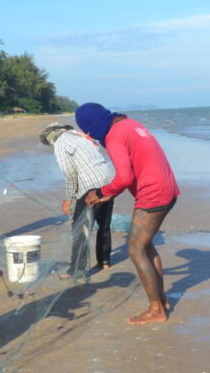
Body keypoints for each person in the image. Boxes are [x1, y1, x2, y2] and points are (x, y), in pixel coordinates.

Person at [75, 103, 180, 325]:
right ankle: (162, 301)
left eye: (88, 132)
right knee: (145, 246)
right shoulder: (130, 124)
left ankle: (156, 310)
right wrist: (109, 194)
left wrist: (101, 192)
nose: (91, 137)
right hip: (168, 188)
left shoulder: (114, 136)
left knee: (135, 249)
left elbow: (124, 177)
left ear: (91, 126)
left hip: (153, 193)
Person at [39, 122, 115, 279]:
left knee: (80, 228)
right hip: (109, 180)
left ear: (51, 136)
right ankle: (104, 260)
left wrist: (69, 198)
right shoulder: (80, 137)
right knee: (104, 224)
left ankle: (77, 270)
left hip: (91, 186)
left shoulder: (60, 143)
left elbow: (70, 173)